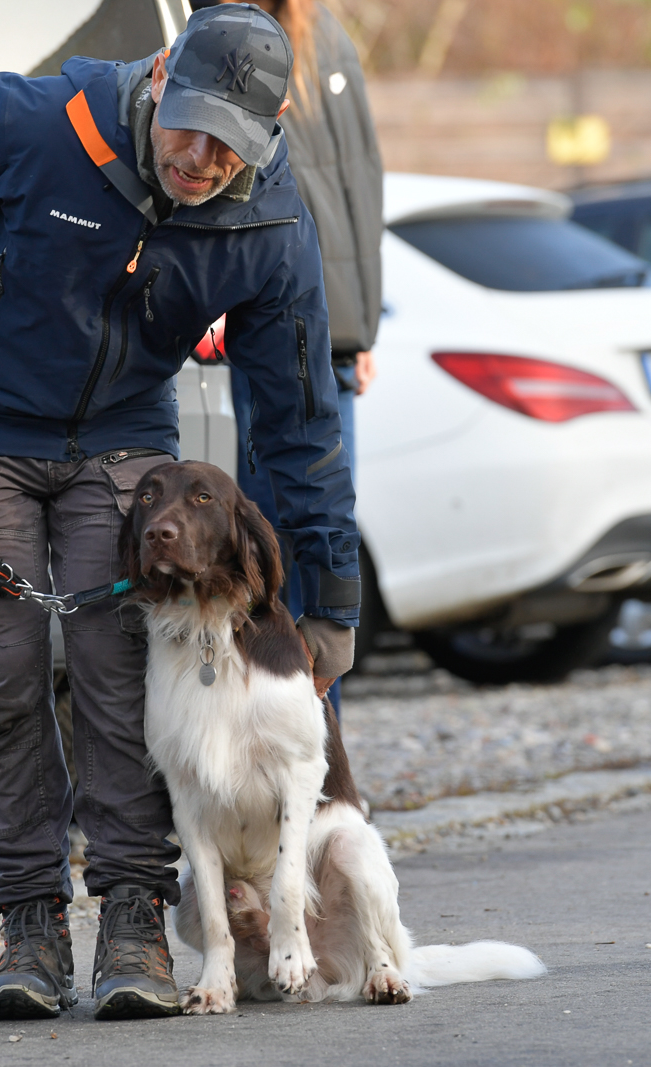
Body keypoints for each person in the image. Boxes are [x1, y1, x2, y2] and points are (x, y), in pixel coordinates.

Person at [0, 4, 359, 1023]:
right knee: (2, 672)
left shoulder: (271, 224)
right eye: (190, 128)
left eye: (230, 145)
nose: (201, 160)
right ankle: (28, 921)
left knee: (122, 669)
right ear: (159, 78)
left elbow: (298, 422)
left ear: (270, 133)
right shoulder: (30, 122)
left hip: (124, 435)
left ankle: (134, 914)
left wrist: (325, 602)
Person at [200, 0, 382, 710]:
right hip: (266, 322)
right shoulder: (219, 29)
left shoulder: (326, 34)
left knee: (325, 537)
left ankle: (319, 748)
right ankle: (284, 734)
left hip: (333, 327)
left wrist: (362, 323)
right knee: (273, 552)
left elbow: (362, 175)